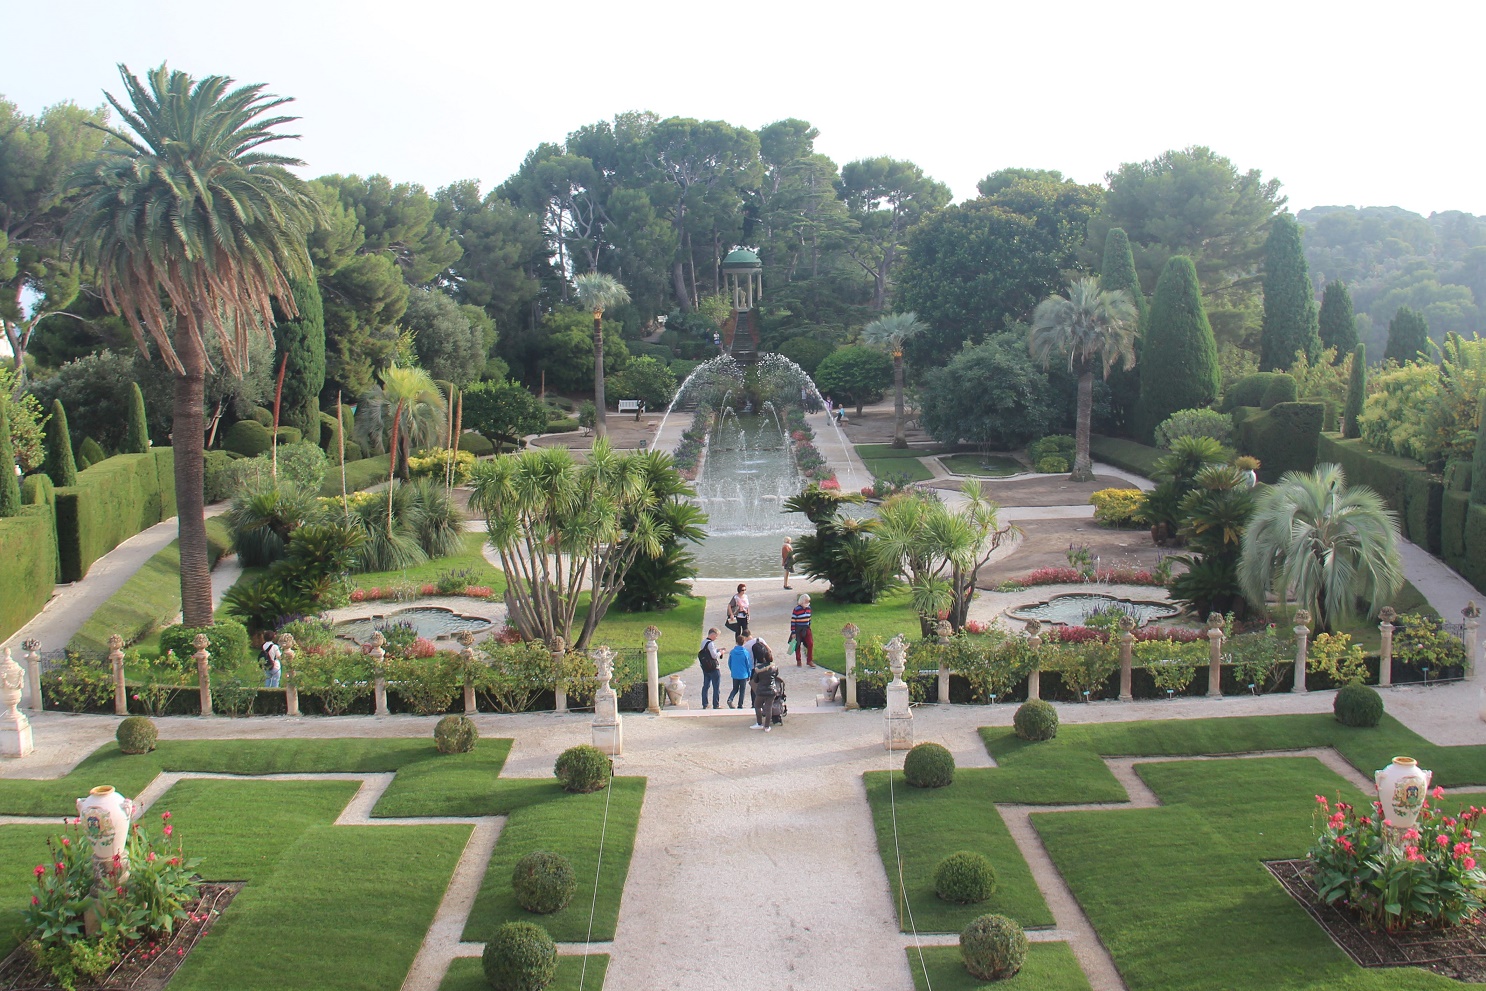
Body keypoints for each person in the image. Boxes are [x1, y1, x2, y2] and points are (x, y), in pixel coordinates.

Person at [750, 644, 782, 732]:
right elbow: (776, 675)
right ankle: (767, 726)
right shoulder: (774, 667)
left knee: (757, 706)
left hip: (761, 690)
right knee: (769, 708)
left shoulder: (758, 668)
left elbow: (755, 680)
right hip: (772, 690)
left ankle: (759, 723)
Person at [697, 628, 722, 709]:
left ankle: (705, 703)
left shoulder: (703, 642)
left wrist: (716, 650)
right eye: (716, 636)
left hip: (706, 667)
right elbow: (714, 656)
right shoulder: (711, 644)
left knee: (706, 686)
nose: (716, 638)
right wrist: (720, 652)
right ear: (713, 634)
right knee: (716, 687)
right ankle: (716, 704)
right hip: (713, 667)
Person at [725, 632, 752, 709]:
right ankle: (740, 704)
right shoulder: (745, 653)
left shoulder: (732, 652)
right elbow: (748, 664)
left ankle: (730, 699)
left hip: (735, 673)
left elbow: (729, 662)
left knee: (735, 689)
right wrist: (749, 674)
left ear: (736, 642)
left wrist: (732, 670)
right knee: (742, 690)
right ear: (744, 642)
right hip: (743, 674)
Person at [790, 593, 814, 667]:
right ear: (802, 601)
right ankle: (798, 660)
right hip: (798, 629)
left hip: (806, 628)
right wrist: (793, 632)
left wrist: (809, 626)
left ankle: (809, 660)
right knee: (797, 645)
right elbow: (793, 621)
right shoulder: (796, 609)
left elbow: (809, 618)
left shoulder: (809, 608)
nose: (808, 603)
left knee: (810, 643)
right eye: (806, 601)